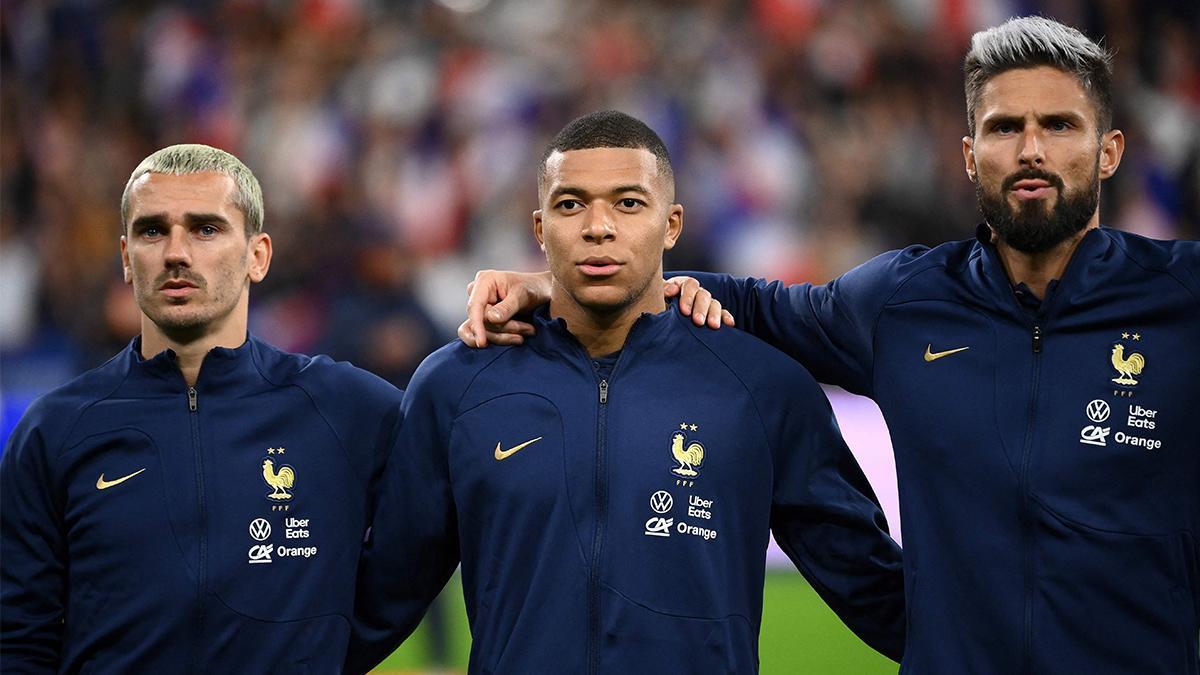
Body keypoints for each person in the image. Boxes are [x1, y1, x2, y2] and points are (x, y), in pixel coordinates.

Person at [462, 17, 1200, 674]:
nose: (1031, 149)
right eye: (1006, 128)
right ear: (971, 155)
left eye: (1060, 126)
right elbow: (754, 303)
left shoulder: (1183, 297)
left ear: (1109, 151)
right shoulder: (902, 303)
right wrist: (561, 284)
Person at [349, 110, 905, 673]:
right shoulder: (457, 387)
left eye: (629, 203)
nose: (598, 227)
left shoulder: (762, 389)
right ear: (540, 229)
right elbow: (376, 606)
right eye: (571, 204)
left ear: (672, 224)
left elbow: (878, 592)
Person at [0, 144, 404, 672]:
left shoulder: (344, 406)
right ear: (126, 258)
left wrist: (330, 647)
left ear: (258, 256)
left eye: (205, 229)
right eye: (152, 231)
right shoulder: (55, 430)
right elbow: (17, 636)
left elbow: (443, 504)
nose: (176, 252)